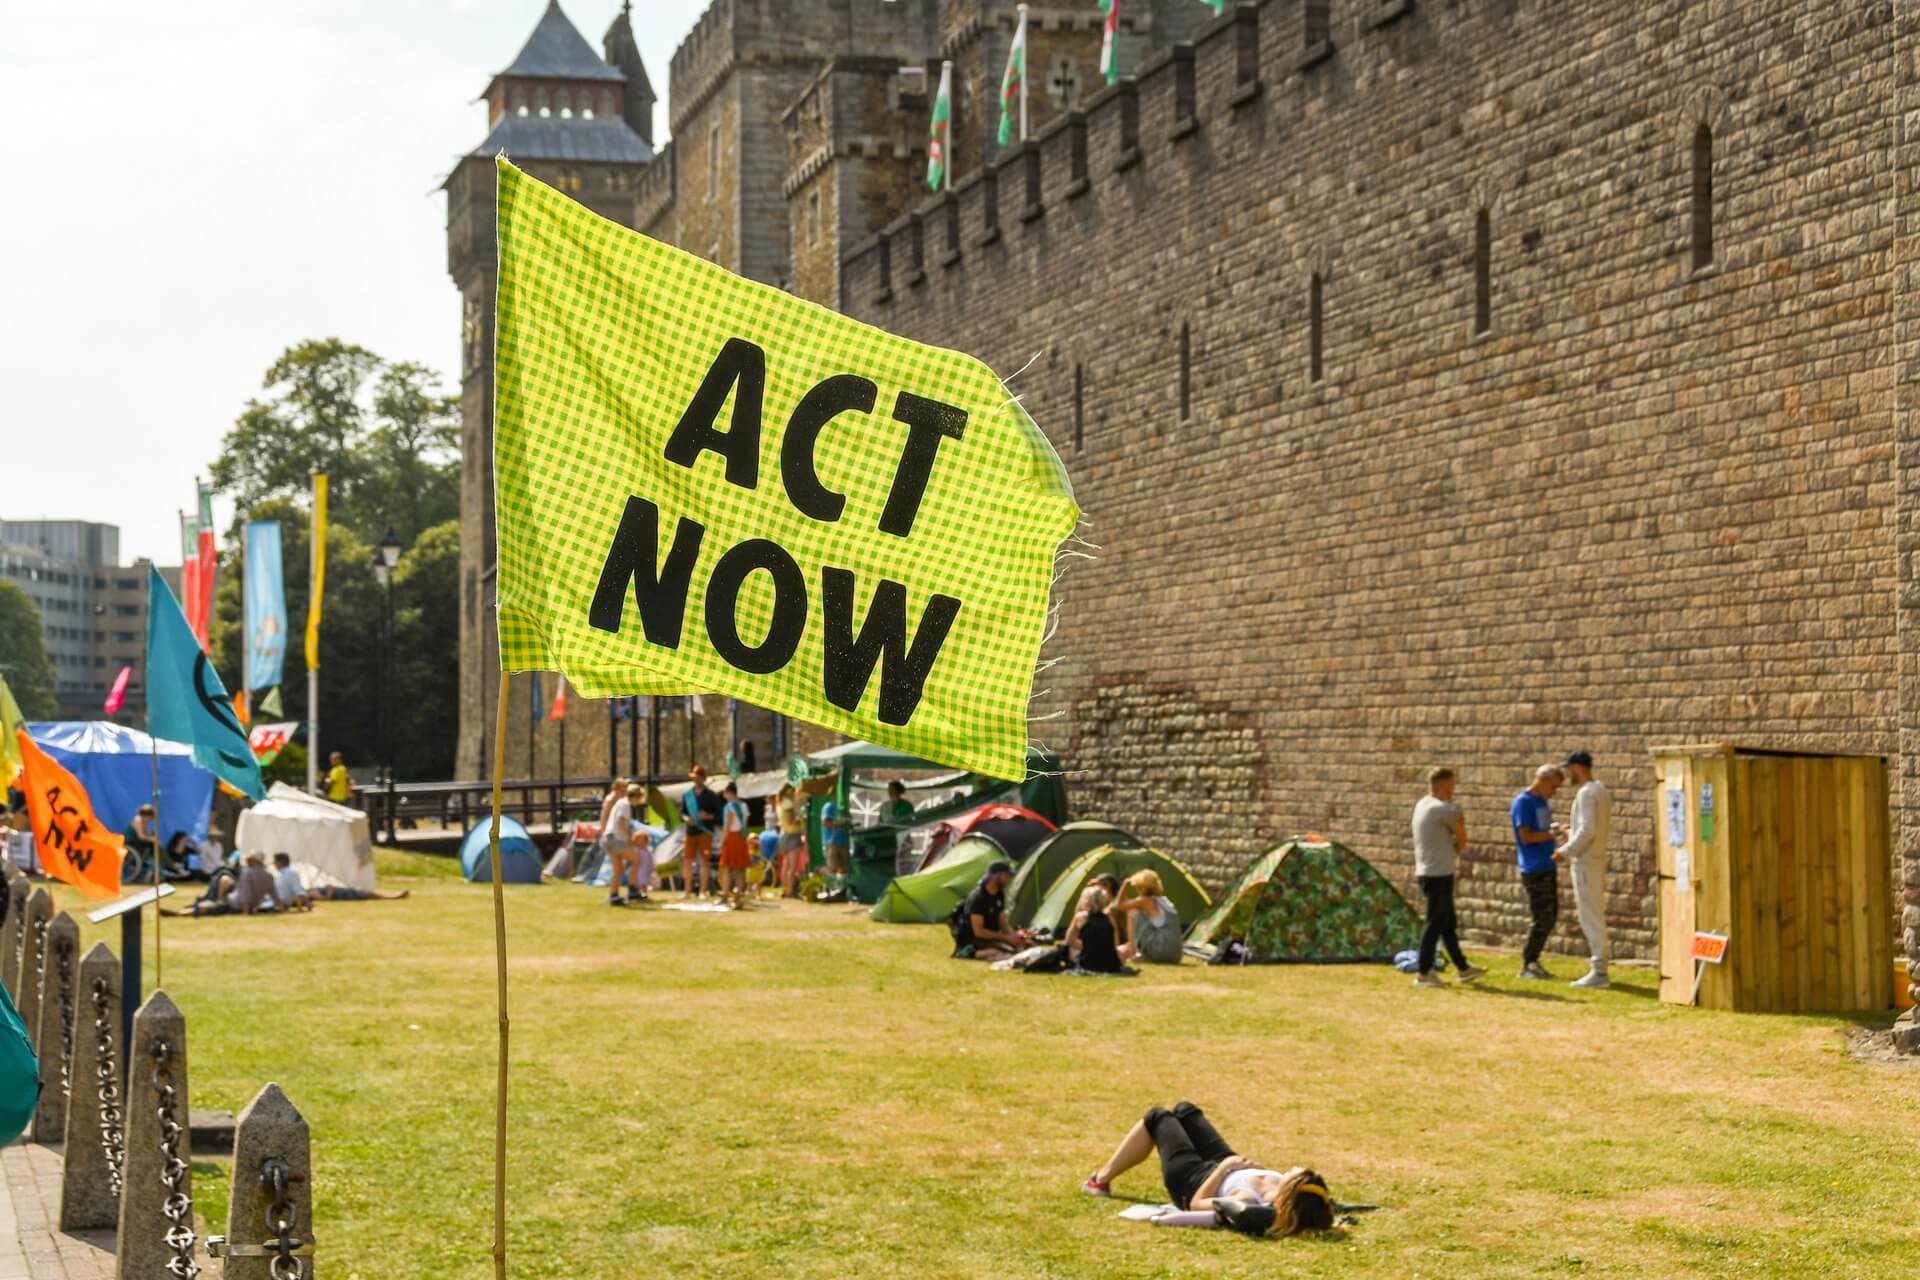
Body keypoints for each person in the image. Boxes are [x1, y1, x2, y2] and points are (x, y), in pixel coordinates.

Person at [1082, 1102, 1335, 1238]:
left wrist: (1225, 1167)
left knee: (1158, 1116)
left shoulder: (1247, 1201)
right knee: (1185, 1110)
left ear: (1290, 1187)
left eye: (1295, 1171)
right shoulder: (1299, 1198)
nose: (1293, 1167)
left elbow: (1196, 1203)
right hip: (1226, 1163)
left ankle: (1100, 1181)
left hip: (1192, 1179)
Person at [1410, 768, 1488, 988]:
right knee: (1435, 923)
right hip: (1438, 874)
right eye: (1452, 786)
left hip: (1429, 872)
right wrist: (1455, 847)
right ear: (1444, 786)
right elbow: (1462, 837)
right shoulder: (1443, 809)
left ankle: (1463, 969)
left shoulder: (1422, 804)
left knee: (1447, 923)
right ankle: (1424, 973)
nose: (1454, 790)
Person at [1557, 750, 1613, 989]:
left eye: (1569, 768)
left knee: (1590, 916)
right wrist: (1570, 833)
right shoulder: (1600, 791)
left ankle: (1599, 971)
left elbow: (1588, 830)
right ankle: (1599, 968)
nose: (1568, 773)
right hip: (1593, 859)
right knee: (1593, 913)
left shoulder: (1587, 792)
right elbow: (1589, 829)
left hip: (1586, 862)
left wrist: (1565, 850)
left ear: (1576, 767)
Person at [1510, 764, 1564, 980]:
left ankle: (1533, 960)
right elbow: (1526, 837)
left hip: (1547, 865)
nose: (1554, 792)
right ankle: (1528, 962)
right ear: (1541, 780)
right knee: (1543, 916)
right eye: (1553, 786)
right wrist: (1552, 835)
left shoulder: (1542, 802)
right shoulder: (1523, 802)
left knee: (1549, 915)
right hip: (1534, 868)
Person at [950, 861, 1032, 960]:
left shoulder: (999, 894)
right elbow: (979, 932)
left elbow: (1003, 924)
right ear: (996, 876)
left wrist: (1014, 936)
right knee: (1000, 954)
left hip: (991, 939)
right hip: (973, 942)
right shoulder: (978, 897)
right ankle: (966, 953)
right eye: (1006, 875)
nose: (1009, 879)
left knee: (1025, 947)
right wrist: (1006, 938)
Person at [1113, 870, 1183, 965]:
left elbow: (1119, 905)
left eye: (1138, 887)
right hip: (1175, 955)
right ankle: (1138, 952)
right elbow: (1127, 903)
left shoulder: (1144, 901)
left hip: (1160, 952)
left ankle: (1134, 952)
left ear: (1144, 888)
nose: (1137, 891)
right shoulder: (1164, 901)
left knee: (1132, 912)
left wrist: (1125, 884)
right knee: (1135, 910)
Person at [1065, 885, 1125, 974]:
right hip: (1110, 964)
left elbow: (1069, 940)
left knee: (1070, 949)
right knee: (1122, 950)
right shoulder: (1110, 919)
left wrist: (1086, 946)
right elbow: (1115, 944)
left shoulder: (1080, 917)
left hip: (1087, 963)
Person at [602, 782, 644, 906]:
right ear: (635, 796)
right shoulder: (625, 804)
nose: (639, 802)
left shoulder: (620, 803)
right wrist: (630, 837)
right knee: (636, 860)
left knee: (618, 869)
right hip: (615, 840)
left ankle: (613, 896)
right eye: (639, 799)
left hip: (607, 839)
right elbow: (621, 822)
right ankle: (632, 890)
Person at [679, 766, 718, 897]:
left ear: (703, 778)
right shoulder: (687, 795)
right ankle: (687, 890)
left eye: (697, 777)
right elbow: (682, 813)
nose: (695, 780)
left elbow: (718, 815)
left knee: (704, 862)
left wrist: (706, 816)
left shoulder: (711, 795)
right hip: (690, 831)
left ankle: (702, 890)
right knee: (687, 861)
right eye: (693, 777)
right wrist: (686, 818)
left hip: (705, 831)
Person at [718, 782, 751, 908]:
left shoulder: (729, 806)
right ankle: (739, 895)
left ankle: (725, 895)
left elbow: (727, 825)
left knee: (726, 867)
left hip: (732, 837)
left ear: (728, 793)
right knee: (740, 868)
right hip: (741, 838)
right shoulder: (744, 805)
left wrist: (722, 840)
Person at [774, 784, 807, 898]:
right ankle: (790, 892)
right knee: (792, 866)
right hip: (792, 834)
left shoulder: (780, 803)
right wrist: (802, 820)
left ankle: (785, 889)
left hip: (783, 834)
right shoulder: (789, 804)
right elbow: (791, 821)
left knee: (786, 865)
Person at [820, 795, 850, 896]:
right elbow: (825, 822)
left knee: (844, 868)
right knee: (831, 867)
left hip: (844, 841)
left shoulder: (845, 808)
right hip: (831, 842)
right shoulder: (829, 806)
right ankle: (827, 890)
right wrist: (839, 823)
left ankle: (841, 891)